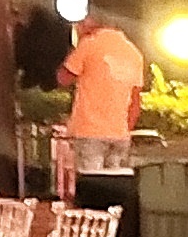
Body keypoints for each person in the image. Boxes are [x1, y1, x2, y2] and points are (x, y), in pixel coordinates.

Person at [58, 14, 145, 146]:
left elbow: (63, 78)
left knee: (89, 161)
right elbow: (135, 101)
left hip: (88, 131)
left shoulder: (89, 44)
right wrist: (125, 130)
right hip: (120, 134)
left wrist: (76, 49)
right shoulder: (134, 53)